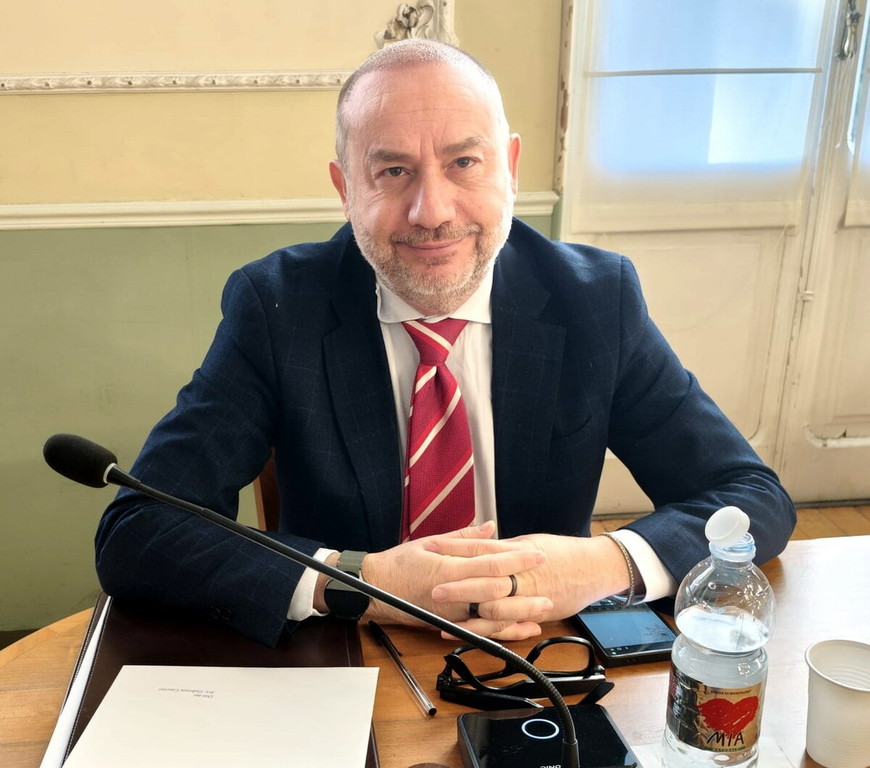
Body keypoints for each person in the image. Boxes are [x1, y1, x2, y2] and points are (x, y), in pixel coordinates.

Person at [95, 40, 796, 647]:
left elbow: (750, 496)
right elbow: (139, 529)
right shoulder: (278, 308)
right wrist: (359, 582)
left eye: (464, 162)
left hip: (542, 660)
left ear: (509, 167)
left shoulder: (594, 300)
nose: (432, 212)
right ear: (345, 187)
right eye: (392, 171)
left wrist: (603, 564)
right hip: (347, 656)